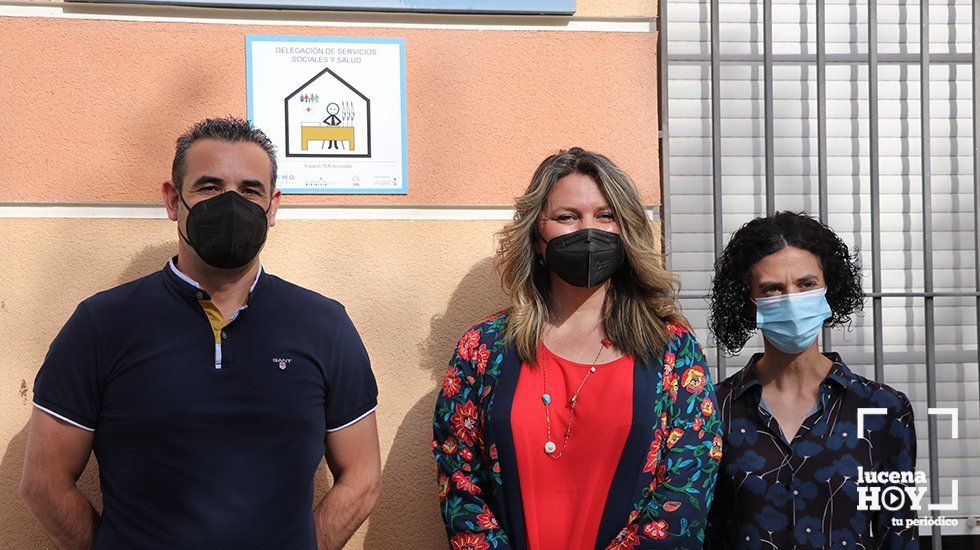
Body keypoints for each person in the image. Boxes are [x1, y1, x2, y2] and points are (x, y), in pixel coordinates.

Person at [20, 117, 381, 549]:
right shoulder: (102, 325)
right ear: (173, 201)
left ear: (274, 205)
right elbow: (44, 483)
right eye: (209, 187)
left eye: (250, 190)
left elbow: (362, 477)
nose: (232, 204)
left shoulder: (325, 325)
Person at [433, 147, 722, 550]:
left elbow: (687, 486)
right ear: (537, 236)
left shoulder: (672, 349)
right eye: (568, 217)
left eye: (606, 216)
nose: (589, 231)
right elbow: (460, 478)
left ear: (626, 232)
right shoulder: (483, 349)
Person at [705, 211, 918, 548]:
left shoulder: (882, 409)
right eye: (772, 289)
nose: (791, 299)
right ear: (749, 304)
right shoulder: (714, 409)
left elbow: (899, 533)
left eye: (806, 284)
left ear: (828, 289)